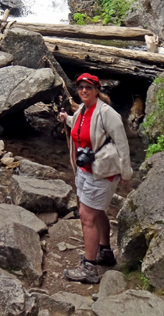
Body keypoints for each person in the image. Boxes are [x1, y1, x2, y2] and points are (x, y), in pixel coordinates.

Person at [58, 72, 132, 284]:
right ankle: (105, 252)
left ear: (97, 90)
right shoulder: (83, 109)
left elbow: (122, 144)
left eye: (88, 87)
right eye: (81, 87)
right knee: (98, 212)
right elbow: (80, 126)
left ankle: (89, 268)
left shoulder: (107, 114)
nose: (83, 91)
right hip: (86, 171)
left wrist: (126, 173)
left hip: (102, 173)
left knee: (87, 217)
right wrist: (67, 119)